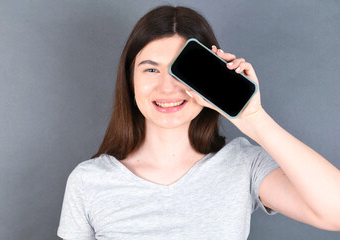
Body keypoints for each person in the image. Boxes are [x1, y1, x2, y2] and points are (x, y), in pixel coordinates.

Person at [57, 5, 340, 240]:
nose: (167, 89)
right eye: (151, 69)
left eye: (181, 71)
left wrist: (254, 119)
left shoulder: (244, 165)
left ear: (209, 78)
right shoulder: (88, 180)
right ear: (130, 80)